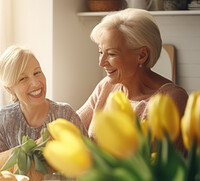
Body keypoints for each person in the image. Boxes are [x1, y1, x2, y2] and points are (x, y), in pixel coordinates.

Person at [77, 8, 188, 152]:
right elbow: (73, 125)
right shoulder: (106, 86)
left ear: (142, 55)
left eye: (111, 54)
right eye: (100, 52)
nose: (101, 62)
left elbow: (161, 165)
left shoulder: (172, 99)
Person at [0, 45, 87, 153]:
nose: (36, 83)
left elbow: (88, 158)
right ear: (9, 89)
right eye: (23, 79)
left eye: (37, 72)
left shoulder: (65, 114)